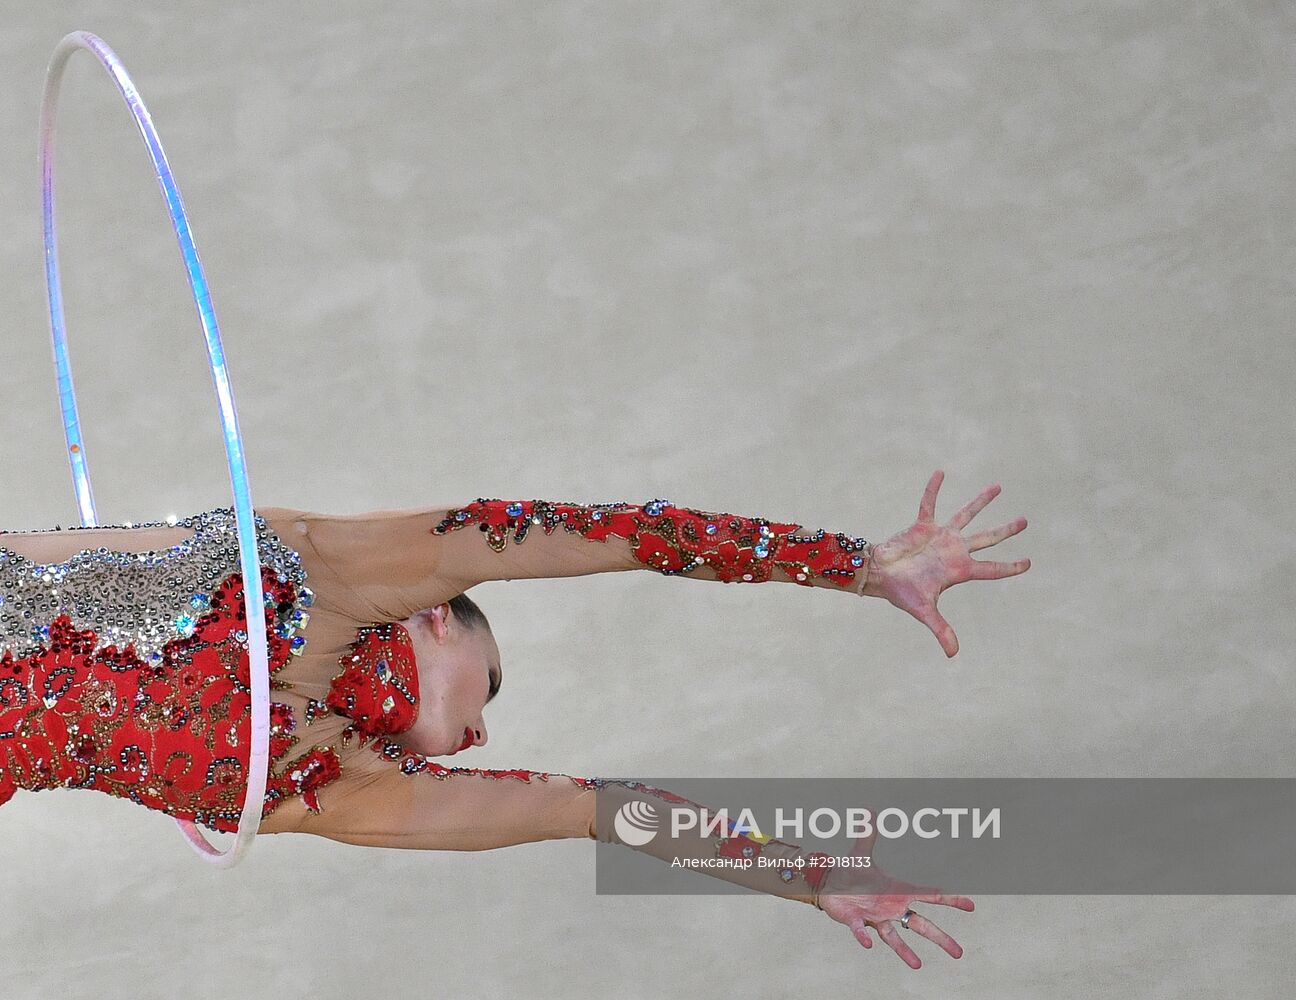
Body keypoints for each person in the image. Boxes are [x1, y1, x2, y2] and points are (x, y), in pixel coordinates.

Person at [0, 469, 1027, 968]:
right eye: (486, 685)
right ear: (436, 615)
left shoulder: (323, 785)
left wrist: (807, 876)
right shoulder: (337, 570)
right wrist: (853, 565)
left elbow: (594, 809)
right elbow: (629, 535)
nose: (480, 736)